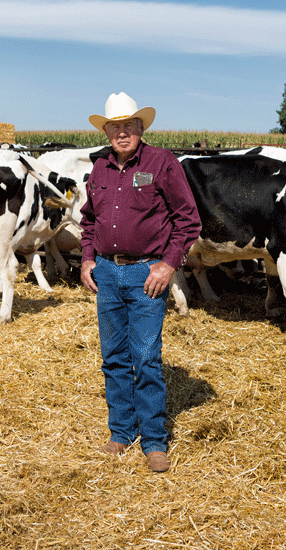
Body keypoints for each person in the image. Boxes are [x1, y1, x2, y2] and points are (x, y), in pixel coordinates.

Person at [79, 92, 202, 473]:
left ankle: (153, 440)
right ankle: (120, 432)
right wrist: (86, 259)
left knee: (146, 357)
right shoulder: (99, 166)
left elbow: (188, 221)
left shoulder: (162, 163)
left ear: (141, 128)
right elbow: (88, 221)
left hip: (146, 274)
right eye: (114, 127)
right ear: (107, 131)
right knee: (113, 357)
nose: (121, 133)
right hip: (107, 274)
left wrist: (168, 266)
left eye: (128, 126)